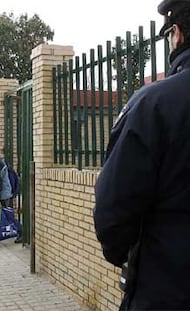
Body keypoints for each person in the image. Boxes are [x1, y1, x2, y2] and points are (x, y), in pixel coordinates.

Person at [94, 0, 190, 309]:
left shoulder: (155, 105)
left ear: (176, 34)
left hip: (167, 288)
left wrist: (121, 252)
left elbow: (114, 209)